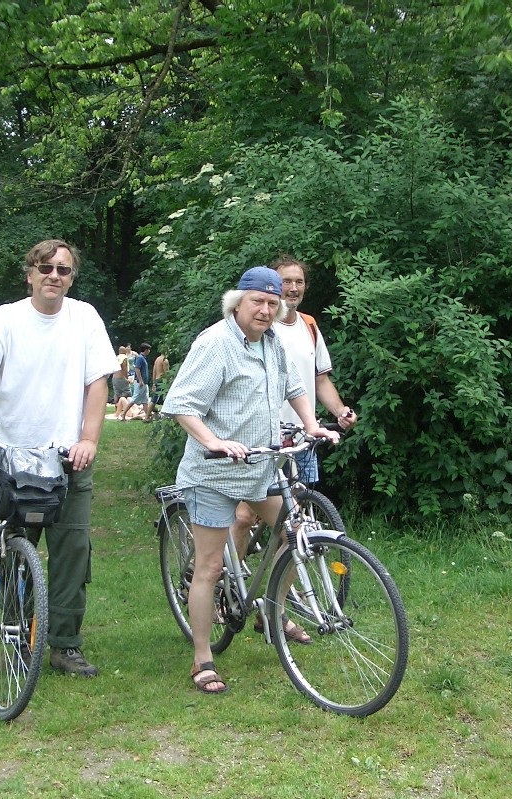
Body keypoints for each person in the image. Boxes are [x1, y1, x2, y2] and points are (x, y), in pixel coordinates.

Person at [0, 238, 118, 677]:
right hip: (11, 460)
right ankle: (15, 631)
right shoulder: (6, 319)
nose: (54, 276)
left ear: (71, 278)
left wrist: (89, 439)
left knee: (72, 552)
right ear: (30, 274)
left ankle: (65, 644)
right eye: (46, 268)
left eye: (64, 270)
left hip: (68, 460)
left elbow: (98, 383)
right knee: (13, 549)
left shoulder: (85, 318)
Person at [161, 266, 339, 695]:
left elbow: (295, 388)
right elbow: (181, 404)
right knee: (210, 566)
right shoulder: (215, 343)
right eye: (257, 301)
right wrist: (214, 441)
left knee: (295, 532)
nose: (265, 309)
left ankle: (270, 612)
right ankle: (202, 658)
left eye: (272, 303)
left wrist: (312, 425)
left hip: (260, 467)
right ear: (237, 302)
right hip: (213, 472)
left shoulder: (273, 342)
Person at [231, 256, 358, 551]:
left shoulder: (309, 325)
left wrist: (340, 411)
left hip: (301, 437)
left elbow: (320, 379)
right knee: (244, 516)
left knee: (292, 522)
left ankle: (285, 577)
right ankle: (226, 575)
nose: (292, 287)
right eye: (285, 281)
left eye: (299, 282)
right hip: (263, 437)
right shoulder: (261, 325)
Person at [132, 342, 154, 421]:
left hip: (145, 382)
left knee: (145, 401)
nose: (149, 351)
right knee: (134, 399)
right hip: (140, 382)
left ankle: (147, 417)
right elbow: (137, 369)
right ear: (145, 350)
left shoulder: (143, 358)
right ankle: (123, 414)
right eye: (148, 349)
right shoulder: (140, 358)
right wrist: (140, 380)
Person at [112, 344, 132, 420]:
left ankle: (117, 410)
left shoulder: (116, 358)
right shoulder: (124, 358)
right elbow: (124, 369)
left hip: (114, 378)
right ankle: (125, 410)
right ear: (124, 351)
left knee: (117, 394)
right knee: (126, 393)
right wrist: (127, 378)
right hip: (121, 378)